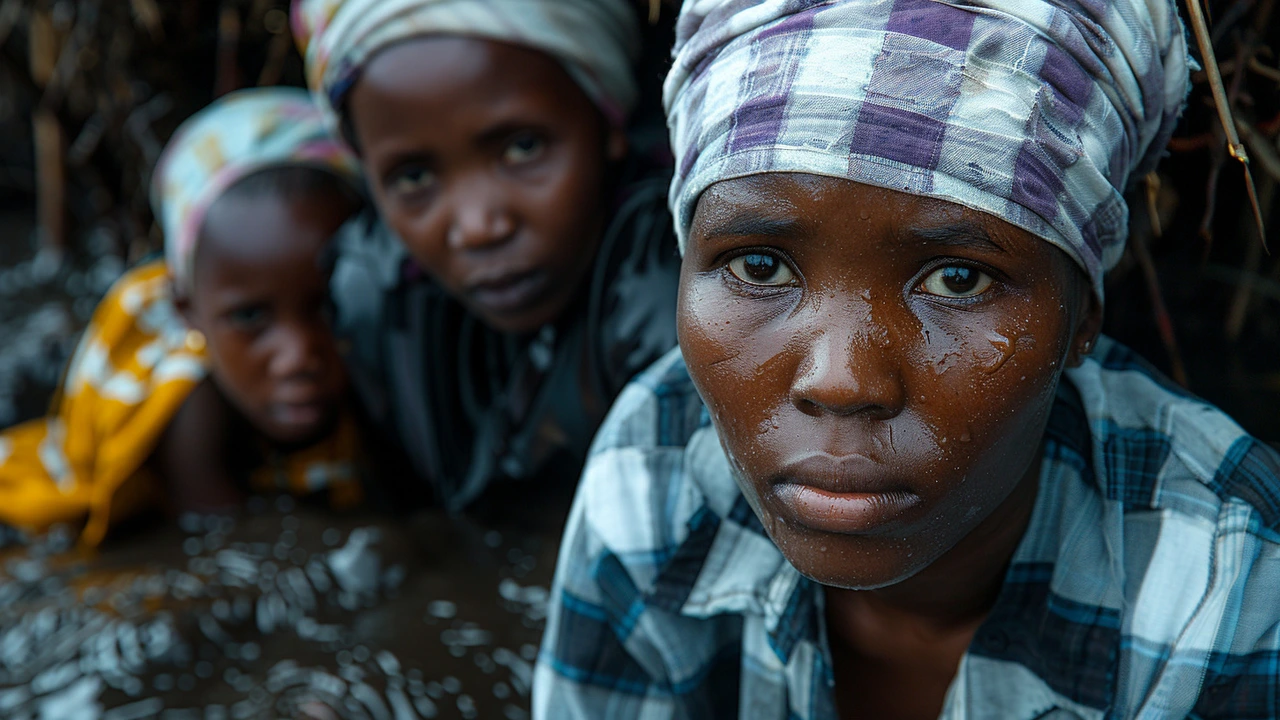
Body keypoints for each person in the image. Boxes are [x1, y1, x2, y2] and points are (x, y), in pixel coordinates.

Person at [535, 1, 1280, 718]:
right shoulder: (652, 477)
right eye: (759, 267)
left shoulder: (1224, 593)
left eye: (959, 279)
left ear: (1082, 314)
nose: (841, 379)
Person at [292, 0, 681, 512]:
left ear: (608, 118)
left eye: (522, 148)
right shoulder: (377, 294)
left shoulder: (668, 292)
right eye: (413, 178)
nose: (477, 228)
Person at [0, 88, 365, 546]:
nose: (297, 355)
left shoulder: (389, 333)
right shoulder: (190, 404)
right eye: (250, 316)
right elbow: (222, 544)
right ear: (186, 311)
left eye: (327, 307)